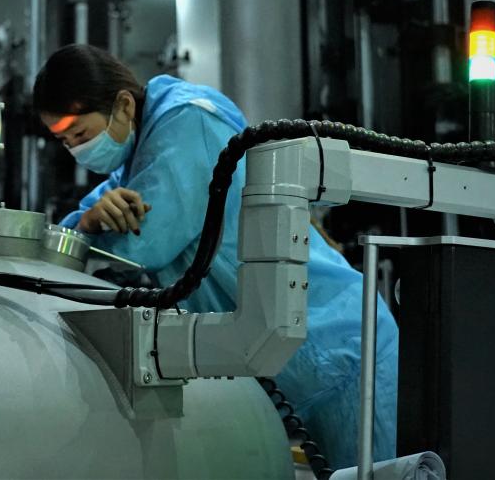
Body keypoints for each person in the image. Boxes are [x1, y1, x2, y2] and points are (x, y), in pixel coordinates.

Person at [34, 44, 398, 470]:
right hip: (297, 364)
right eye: (65, 142)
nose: (76, 150)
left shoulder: (189, 123)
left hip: (341, 347)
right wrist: (88, 220)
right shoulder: (138, 158)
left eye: (80, 135)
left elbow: (146, 244)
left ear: (124, 105)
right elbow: (69, 237)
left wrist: (93, 228)